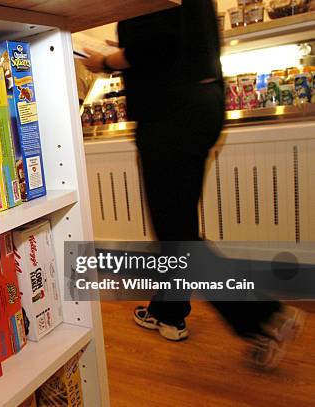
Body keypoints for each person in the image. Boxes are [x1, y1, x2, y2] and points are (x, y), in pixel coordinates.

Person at [82, 0, 305, 370]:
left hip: (169, 112)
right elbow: (175, 35)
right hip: (200, 103)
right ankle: (169, 312)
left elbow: (152, 45)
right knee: (178, 225)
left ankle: (265, 316)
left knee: (176, 235)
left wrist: (105, 61)